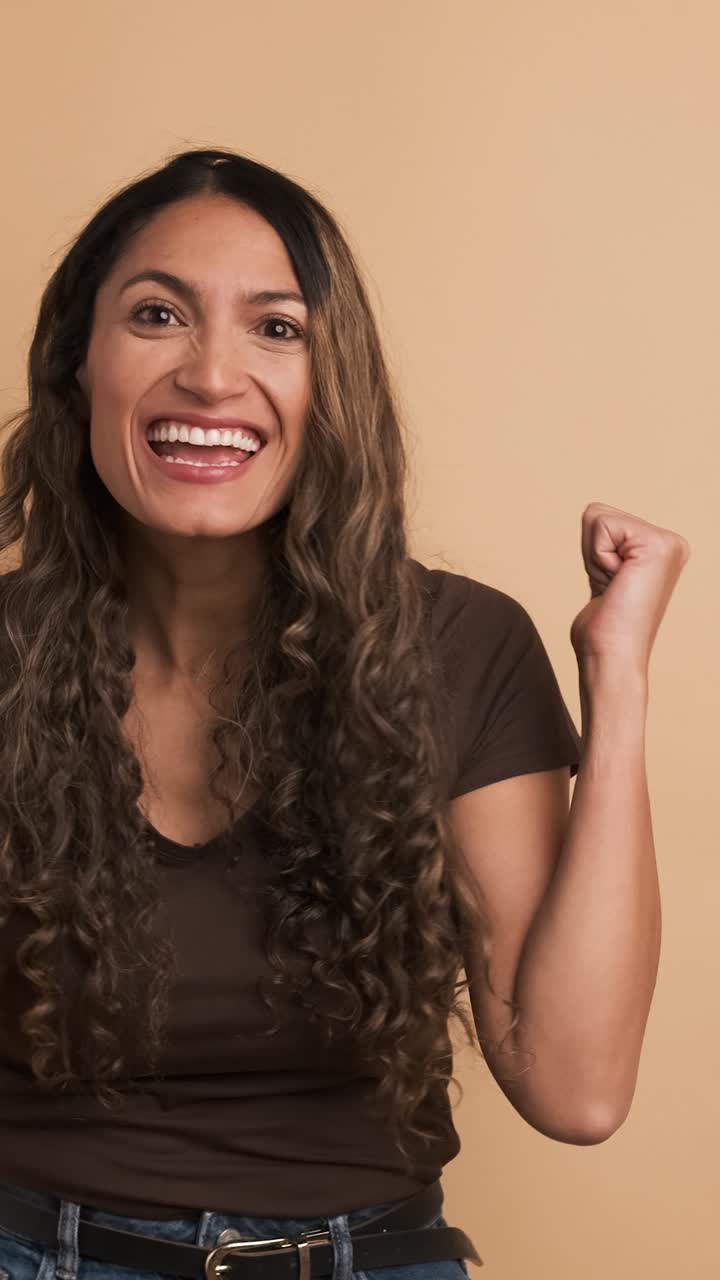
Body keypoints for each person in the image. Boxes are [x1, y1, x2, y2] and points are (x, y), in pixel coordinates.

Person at [0, 148, 583, 1280]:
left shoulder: (461, 647)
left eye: (277, 328)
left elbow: (577, 1084)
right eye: (158, 314)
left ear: (335, 385)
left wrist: (623, 688)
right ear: (80, 366)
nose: (213, 375)